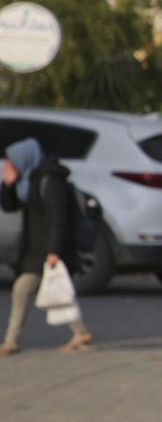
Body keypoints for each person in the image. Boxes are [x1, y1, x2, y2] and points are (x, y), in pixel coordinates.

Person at [1, 138, 93, 354]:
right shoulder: (29, 180)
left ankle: (11, 341)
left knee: (22, 290)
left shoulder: (50, 180)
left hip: (48, 248)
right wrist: (8, 185)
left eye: (12, 162)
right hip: (36, 248)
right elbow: (10, 205)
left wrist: (54, 251)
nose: (8, 166)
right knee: (58, 291)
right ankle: (81, 332)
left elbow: (58, 218)